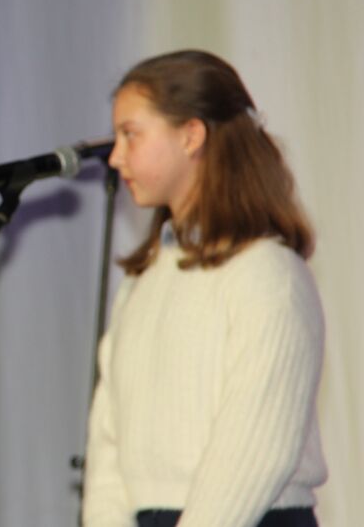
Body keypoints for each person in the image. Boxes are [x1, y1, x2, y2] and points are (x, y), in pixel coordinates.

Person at [82, 50, 327, 527]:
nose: (115, 157)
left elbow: (255, 450)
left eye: (131, 134)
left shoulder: (267, 274)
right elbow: (108, 439)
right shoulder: (142, 280)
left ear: (191, 135)